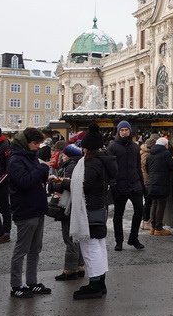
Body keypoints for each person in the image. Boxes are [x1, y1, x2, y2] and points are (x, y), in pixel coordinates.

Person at [71, 125, 117, 300]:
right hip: (99, 207)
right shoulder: (103, 160)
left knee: (91, 248)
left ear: (87, 147)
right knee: (97, 246)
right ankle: (99, 283)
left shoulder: (92, 163)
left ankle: (95, 285)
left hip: (90, 208)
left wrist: (63, 184)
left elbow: (84, 185)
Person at [7, 127, 51, 299]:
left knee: (35, 249)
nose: (38, 146)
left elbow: (36, 179)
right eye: (36, 143)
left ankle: (32, 282)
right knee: (22, 250)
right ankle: (16, 285)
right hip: (25, 210)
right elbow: (24, 182)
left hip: (37, 208)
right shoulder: (16, 160)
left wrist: (44, 174)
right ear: (26, 142)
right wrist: (42, 170)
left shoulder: (31, 157)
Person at [108, 120, 145, 251]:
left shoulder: (135, 147)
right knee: (118, 214)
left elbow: (138, 167)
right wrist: (113, 184)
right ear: (118, 131)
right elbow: (109, 168)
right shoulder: (112, 146)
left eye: (126, 130)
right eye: (122, 130)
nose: (124, 132)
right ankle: (119, 241)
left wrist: (142, 183)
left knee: (140, 210)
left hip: (135, 184)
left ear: (130, 131)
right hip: (119, 185)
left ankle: (133, 238)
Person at [51, 143, 85, 281]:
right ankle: (80, 265)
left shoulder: (70, 166)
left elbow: (69, 185)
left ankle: (70, 269)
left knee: (69, 238)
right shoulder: (79, 164)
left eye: (64, 154)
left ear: (69, 155)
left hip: (68, 205)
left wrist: (53, 183)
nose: (62, 156)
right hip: (75, 205)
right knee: (76, 237)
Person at [146, 137, 173, 236]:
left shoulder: (150, 154)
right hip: (162, 182)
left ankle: (153, 227)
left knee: (154, 203)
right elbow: (172, 166)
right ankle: (159, 228)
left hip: (152, 182)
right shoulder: (165, 153)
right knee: (161, 204)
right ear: (165, 145)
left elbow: (147, 168)